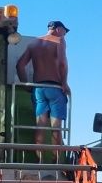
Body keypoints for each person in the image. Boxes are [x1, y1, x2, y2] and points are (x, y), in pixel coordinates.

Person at [15, 20, 71, 159]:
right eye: (65, 31)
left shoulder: (34, 43)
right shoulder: (59, 41)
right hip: (55, 87)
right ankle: (56, 160)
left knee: (40, 125)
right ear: (58, 29)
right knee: (56, 127)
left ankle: (39, 161)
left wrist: (25, 85)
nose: (65, 34)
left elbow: (20, 65)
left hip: (38, 88)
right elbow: (63, 63)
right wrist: (64, 83)